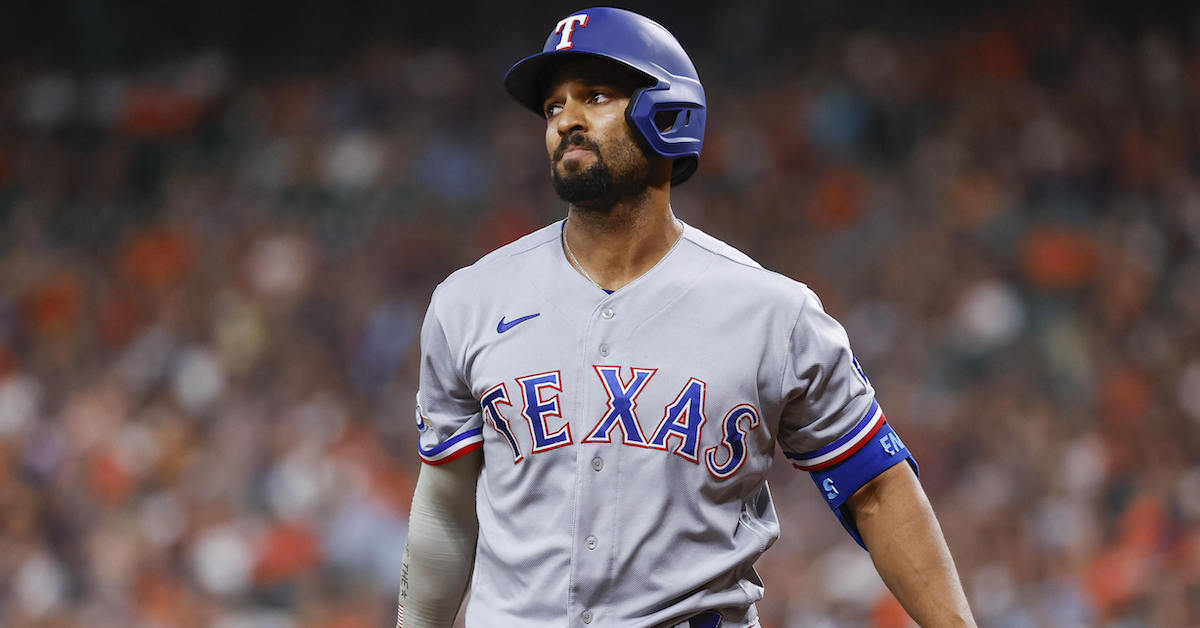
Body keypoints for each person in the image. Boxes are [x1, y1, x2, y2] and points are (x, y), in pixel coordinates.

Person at [398, 7, 975, 628]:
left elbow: (878, 489)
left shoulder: (771, 312)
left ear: (667, 112)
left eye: (595, 95)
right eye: (552, 106)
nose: (566, 119)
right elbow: (446, 504)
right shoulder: (469, 300)